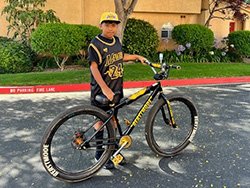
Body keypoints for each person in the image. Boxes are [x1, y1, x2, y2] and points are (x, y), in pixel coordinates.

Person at [88, 11, 146, 169]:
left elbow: (120, 56)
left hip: (116, 89)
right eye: (107, 25)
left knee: (113, 120)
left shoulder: (116, 41)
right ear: (101, 25)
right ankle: (99, 154)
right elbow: (93, 68)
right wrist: (105, 89)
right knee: (100, 121)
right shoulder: (95, 44)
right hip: (101, 91)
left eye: (113, 25)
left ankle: (113, 151)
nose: (110, 28)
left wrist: (135, 56)